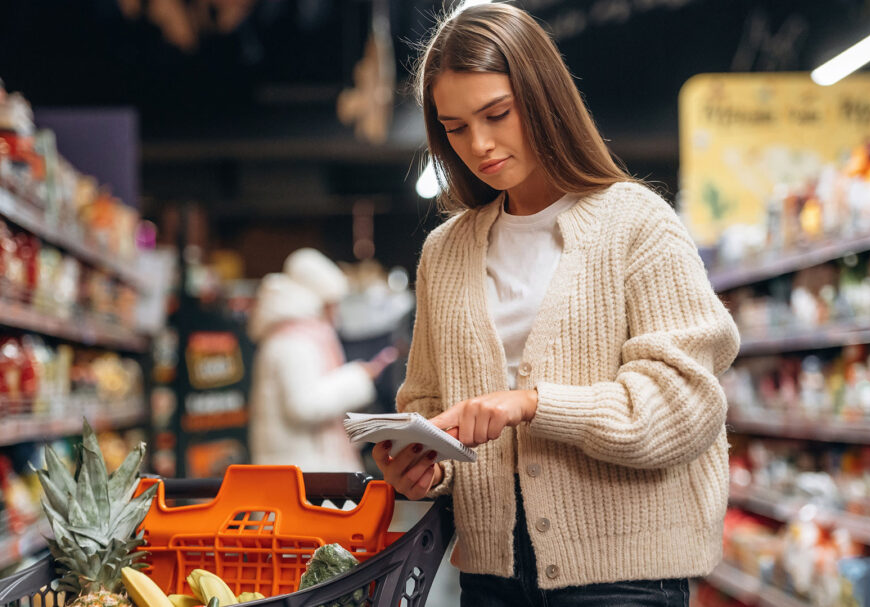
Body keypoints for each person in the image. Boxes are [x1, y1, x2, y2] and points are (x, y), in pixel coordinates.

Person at [371, 4, 740, 606]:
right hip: (491, 578)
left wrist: (534, 405)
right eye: (456, 127)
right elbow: (429, 404)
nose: (480, 144)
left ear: (542, 97)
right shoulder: (445, 252)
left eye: (496, 114)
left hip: (624, 579)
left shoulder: (636, 224)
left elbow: (686, 404)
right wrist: (428, 468)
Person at [248, 248, 397, 472]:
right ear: (316, 300)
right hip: (303, 476)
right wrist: (358, 376)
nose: (336, 312)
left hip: (302, 468)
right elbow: (304, 406)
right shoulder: (294, 340)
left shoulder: (294, 335)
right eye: (332, 303)